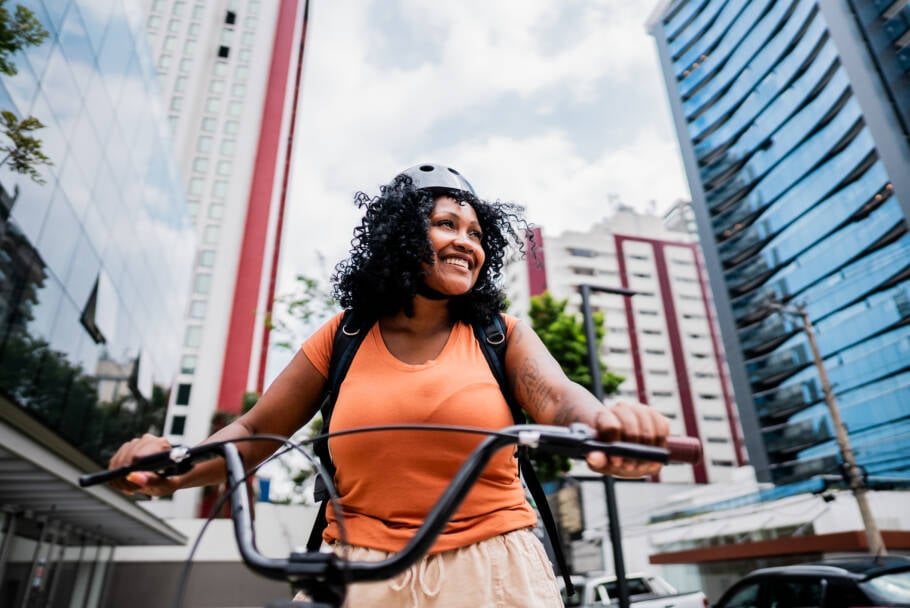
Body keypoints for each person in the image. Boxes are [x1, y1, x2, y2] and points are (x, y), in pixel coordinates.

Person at [108, 163, 671, 607]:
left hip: (492, 568)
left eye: (476, 233)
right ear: (400, 235)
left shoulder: (500, 335)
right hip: (356, 569)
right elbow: (257, 430)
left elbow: (556, 396)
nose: (466, 243)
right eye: (446, 224)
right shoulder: (344, 335)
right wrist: (175, 464)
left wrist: (604, 424)